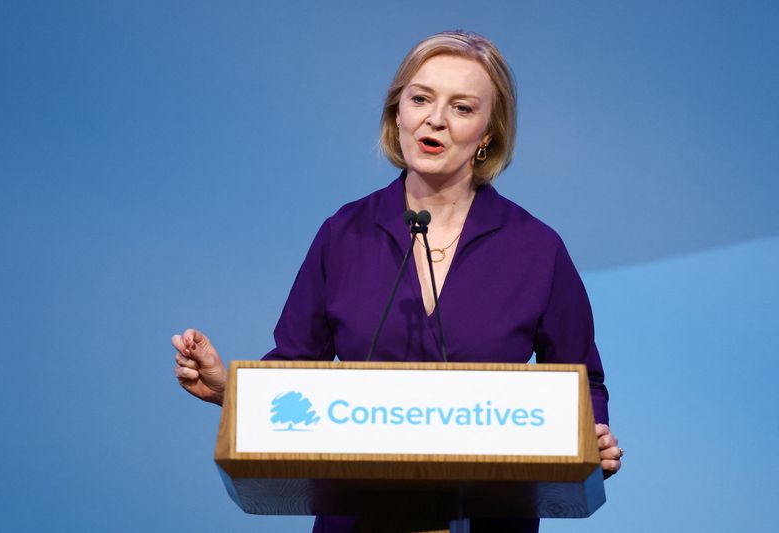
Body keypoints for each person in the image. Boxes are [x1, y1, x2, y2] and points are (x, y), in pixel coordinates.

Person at [172, 30, 622, 533]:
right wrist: (228, 390)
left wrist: (592, 433)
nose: (435, 119)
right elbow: (295, 375)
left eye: (462, 107)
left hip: (488, 516)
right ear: (398, 112)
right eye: (421, 99)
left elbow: (582, 382)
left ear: (488, 133)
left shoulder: (536, 249)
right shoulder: (344, 234)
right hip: (357, 517)